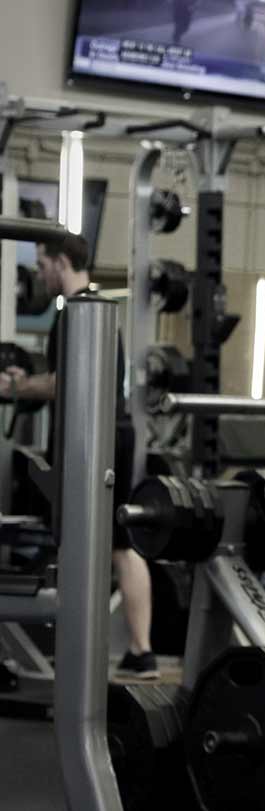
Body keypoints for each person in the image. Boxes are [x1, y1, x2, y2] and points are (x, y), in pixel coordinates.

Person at [0, 235, 155, 680]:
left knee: (92, 542)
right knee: (119, 545)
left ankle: (96, 650)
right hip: (108, 432)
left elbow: (61, 382)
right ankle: (139, 652)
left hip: (93, 437)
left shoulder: (77, 311)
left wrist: (15, 385)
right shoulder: (96, 306)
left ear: (62, 261)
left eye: (42, 264)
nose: (40, 274)